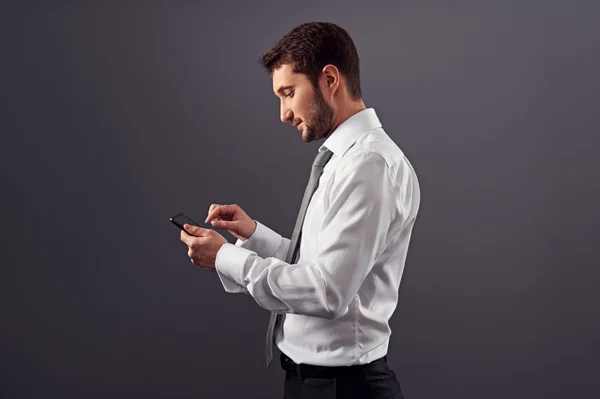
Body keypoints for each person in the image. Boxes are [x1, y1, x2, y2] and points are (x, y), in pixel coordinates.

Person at [179, 21, 420, 399]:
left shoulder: (369, 166)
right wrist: (254, 236)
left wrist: (225, 257)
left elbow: (326, 291)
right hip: (318, 383)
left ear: (329, 79)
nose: (284, 113)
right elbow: (321, 264)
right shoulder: (347, 160)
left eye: (288, 93)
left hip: (345, 389)